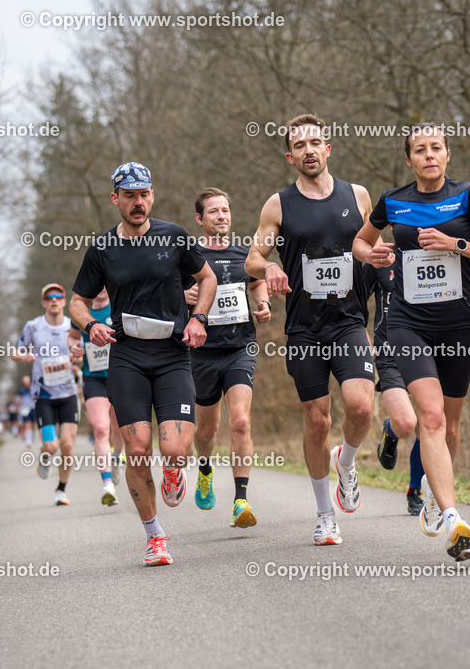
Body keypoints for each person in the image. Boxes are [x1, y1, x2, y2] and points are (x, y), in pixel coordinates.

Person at [354, 123, 470, 560]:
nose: (428, 155)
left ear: (447, 155)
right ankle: (452, 518)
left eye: (436, 148)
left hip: (459, 324)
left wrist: (457, 243)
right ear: (409, 160)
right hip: (409, 324)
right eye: (419, 150)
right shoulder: (393, 200)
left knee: (451, 427)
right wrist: (375, 254)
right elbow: (361, 242)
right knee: (432, 416)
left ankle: (430, 490)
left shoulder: (469, 196)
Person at [70, 162, 217, 566]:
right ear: (115, 199)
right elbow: (77, 302)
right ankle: (155, 537)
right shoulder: (102, 249)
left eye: (144, 194)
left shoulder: (174, 237)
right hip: (128, 356)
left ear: (152, 195)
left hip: (172, 354)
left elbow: (208, 279)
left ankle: (174, 470)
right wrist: (90, 327)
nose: (138, 203)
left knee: (174, 448)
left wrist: (199, 319)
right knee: (136, 450)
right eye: (130, 196)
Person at [246, 114, 375, 546]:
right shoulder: (277, 205)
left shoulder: (357, 196)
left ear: (329, 148)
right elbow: (251, 259)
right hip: (304, 329)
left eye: (316, 142)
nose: (309, 151)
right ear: (290, 156)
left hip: (349, 320)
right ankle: (324, 516)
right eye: (300, 146)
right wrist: (269, 265)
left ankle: (348, 461)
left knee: (361, 408)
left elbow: (370, 250)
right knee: (317, 420)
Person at [183, 187, 270, 527]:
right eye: (214, 211)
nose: (221, 216)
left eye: (225, 210)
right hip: (202, 354)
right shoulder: (188, 257)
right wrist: (184, 294)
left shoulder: (244, 254)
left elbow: (255, 281)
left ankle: (240, 500)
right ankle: (205, 469)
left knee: (241, 421)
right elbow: (172, 294)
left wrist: (262, 303)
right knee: (206, 432)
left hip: (240, 348)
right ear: (199, 219)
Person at [361, 262, 425, 515]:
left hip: (427, 352)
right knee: (406, 423)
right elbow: (354, 305)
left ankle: (415, 490)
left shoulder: (432, 254)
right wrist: (364, 340)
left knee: (428, 424)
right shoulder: (379, 260)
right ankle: (390, 430)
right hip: (390, 354)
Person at [11, 283, 82, 506]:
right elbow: (15, 351)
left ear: (63, 301)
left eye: (58, 296)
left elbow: (81, 354)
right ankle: (44, 457)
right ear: (44, 302)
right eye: (49, 296)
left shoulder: (73, 326)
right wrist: (23, 357)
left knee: (68, 445)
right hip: (44, 397)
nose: (54, 299)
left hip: (68, 394)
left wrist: (77, 361)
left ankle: (61, 489)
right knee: (51, 447)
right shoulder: (33, 326)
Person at [68, 287, 121, 506]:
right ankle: (107, 484)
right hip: (94, 377)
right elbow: (71, 339)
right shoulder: (81, 312)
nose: (101, 289)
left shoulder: (119, 306)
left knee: (120, 431)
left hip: (121, 375)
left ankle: (116, 457)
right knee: (100, 428)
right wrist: (75, 348)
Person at [18, 375, 35, 448]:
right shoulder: (21, 390)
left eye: (27, 382)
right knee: (27, 424)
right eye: (25, 383)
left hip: (33, 408)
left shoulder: (33, 388)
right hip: (25, 409)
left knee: (33, 424)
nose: (26, 384)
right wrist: (19, 407)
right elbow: (20, 399)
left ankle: (32, 437)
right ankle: (28, 440)